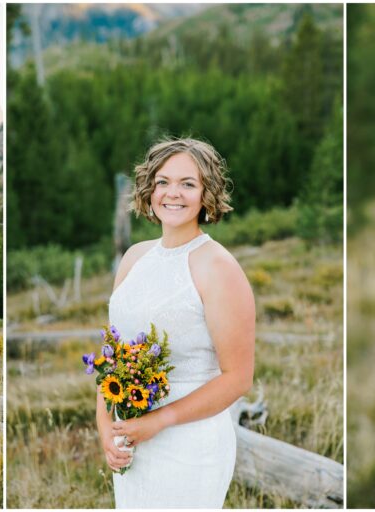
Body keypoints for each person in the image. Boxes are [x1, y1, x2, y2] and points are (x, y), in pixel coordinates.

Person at [99, 138, 256, 507]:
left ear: (207, 194)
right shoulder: (134, 258)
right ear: (149, 189)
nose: (173, 193)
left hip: (190, 446)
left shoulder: (218, 267)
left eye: (188, 183)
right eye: (163, 182)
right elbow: (111, 358)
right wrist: (107, 429)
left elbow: (238, 377)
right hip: (132, 444)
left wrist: (158, 422)